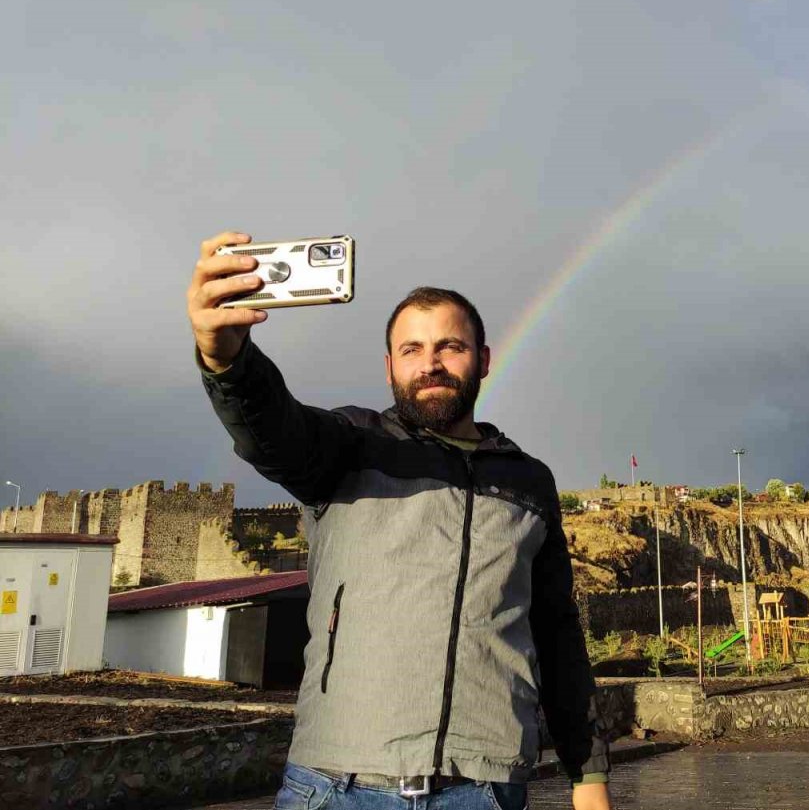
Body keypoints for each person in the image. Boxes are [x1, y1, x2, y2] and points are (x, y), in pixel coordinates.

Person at [187, 232, 612, 810]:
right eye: (411, 350)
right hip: (336, 787)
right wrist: (227, 361)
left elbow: (557, 634)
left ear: (483, 359)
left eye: (449, 346)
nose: (430, 363)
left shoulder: (529, 482)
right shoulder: (349, 445)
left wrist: (589, 777)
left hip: (483, 790)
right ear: (390, 366)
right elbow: (274, 431)